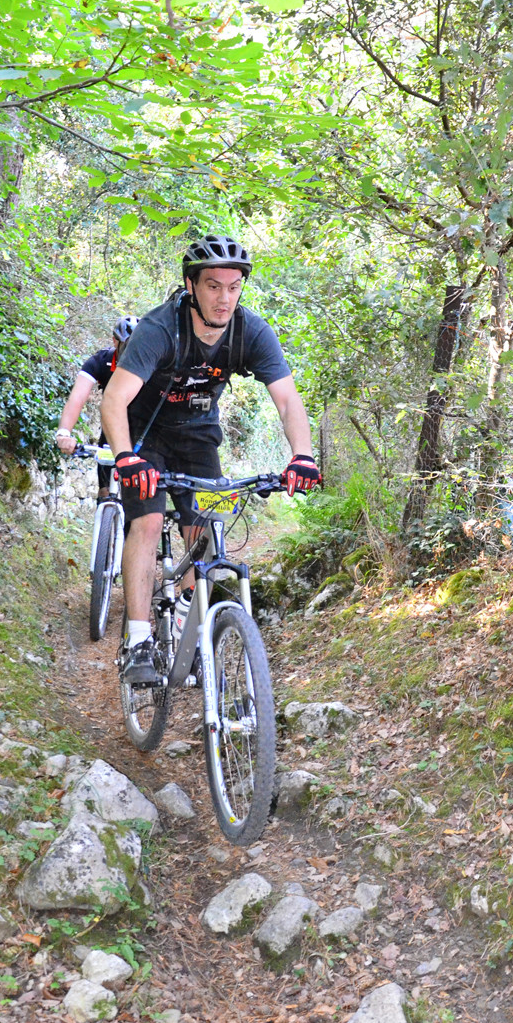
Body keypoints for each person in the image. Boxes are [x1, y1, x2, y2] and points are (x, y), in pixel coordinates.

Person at [100, 234, 321, 685]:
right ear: (191, 285)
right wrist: (125, 456)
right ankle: (139, 639)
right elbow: (113, 399)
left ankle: (184, 611)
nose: (224, 298)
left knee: (205, 533)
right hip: (145, 436)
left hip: (199, 436)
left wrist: (303, 455)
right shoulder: (160, 329)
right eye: (213, 286)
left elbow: (286, 401)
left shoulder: (251, 331)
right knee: (145, 522)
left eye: (233, 287)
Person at [55, 315, 138, 495]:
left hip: (143, 430)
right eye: (127, 345)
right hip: (113, 429)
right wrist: (64, 433)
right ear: (115, 341)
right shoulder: (101, 361)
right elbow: (76, 399)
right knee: (105, 491)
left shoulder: (153, 365)